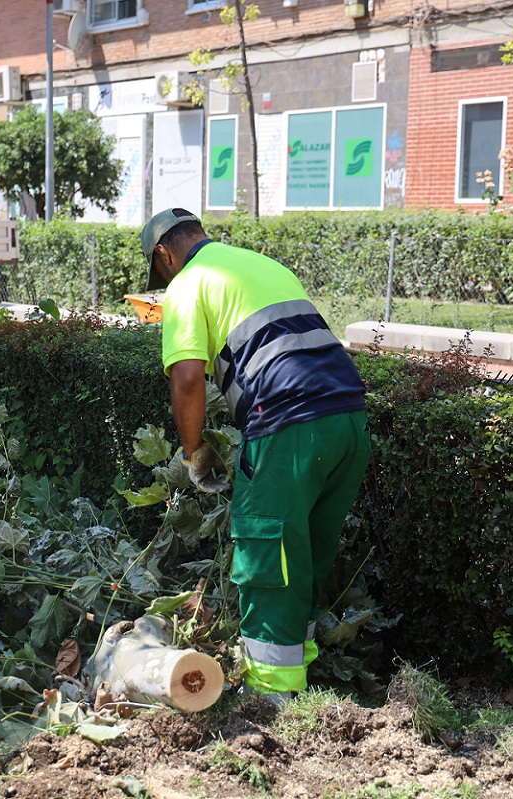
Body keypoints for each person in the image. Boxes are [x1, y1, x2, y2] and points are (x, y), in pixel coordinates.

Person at [141, 207, 371, 702]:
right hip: (348, 418)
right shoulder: (259, 264)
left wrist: (193, 451)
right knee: (305, 551)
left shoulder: (187, 283)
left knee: (268, 552)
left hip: (290, 426)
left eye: (159, 271)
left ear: (164, 254)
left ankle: (272, 698)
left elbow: (186, 378)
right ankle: (302, 672)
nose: (163, 280)